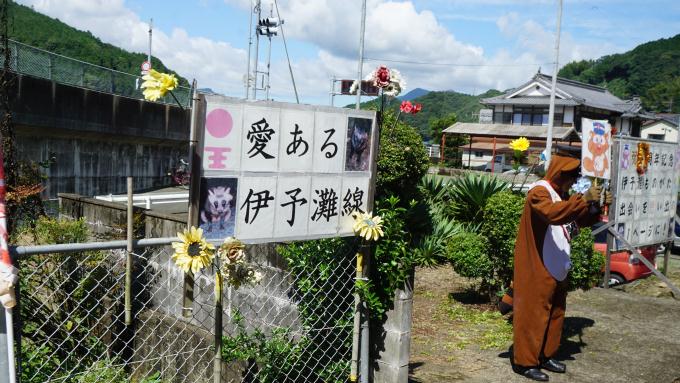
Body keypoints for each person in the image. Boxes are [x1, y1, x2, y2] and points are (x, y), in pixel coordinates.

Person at [511, 153, 610, 381]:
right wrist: (582, 199)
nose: (574, 182)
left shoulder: (560, 194)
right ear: (560, 173)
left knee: (555, 313)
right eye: (572, 177)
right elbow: (553, 214)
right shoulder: (539, 192)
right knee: (533, 315)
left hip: (556, 263)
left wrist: (596, 207)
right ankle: (525, 362)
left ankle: (545, 355)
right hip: (538, 265)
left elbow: (573, 223)